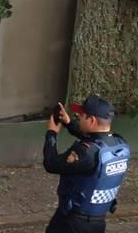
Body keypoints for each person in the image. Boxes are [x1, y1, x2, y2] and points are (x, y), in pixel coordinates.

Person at [43, 94, 130, 233]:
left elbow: (51, 164)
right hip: (98, 222)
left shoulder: (86, 153)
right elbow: (96, 141)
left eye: (81, 116)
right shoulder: (120, 145)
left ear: (92, 120)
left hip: (72, 223)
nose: (79, 118)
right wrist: (69, 122)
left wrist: (51, 133)